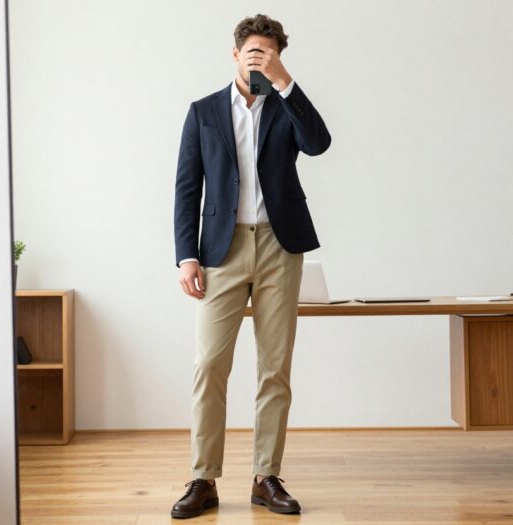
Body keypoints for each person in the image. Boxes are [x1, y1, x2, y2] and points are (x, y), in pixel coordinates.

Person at [171, 13, 331, 519]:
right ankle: (203, 479)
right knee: (209, 365)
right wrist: (186, 253)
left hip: (281, 247)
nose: (258, 59)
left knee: (274, 367)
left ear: (278, 56)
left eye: (269, 53)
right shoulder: (203, 112)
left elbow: (319, 143)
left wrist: (285, 82)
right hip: (221, 249)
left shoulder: (287, 107)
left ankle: (266, 476)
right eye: (252, 52)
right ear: (234, 54)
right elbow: (186, 187)